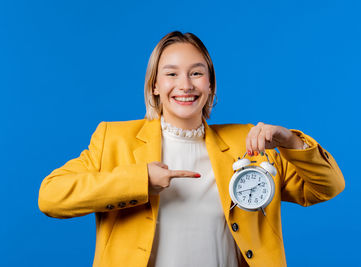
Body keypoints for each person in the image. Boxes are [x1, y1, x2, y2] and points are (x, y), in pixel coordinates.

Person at [38, 31, 345, 267]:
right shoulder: (115, 139)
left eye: (196, 73)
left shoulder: (247, 144)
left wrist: (290, 141)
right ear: (155, 86)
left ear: (210, 84)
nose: (185, 84)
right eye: (171, 74)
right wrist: (139, 180)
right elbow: (51, 196)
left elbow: (326, 187)